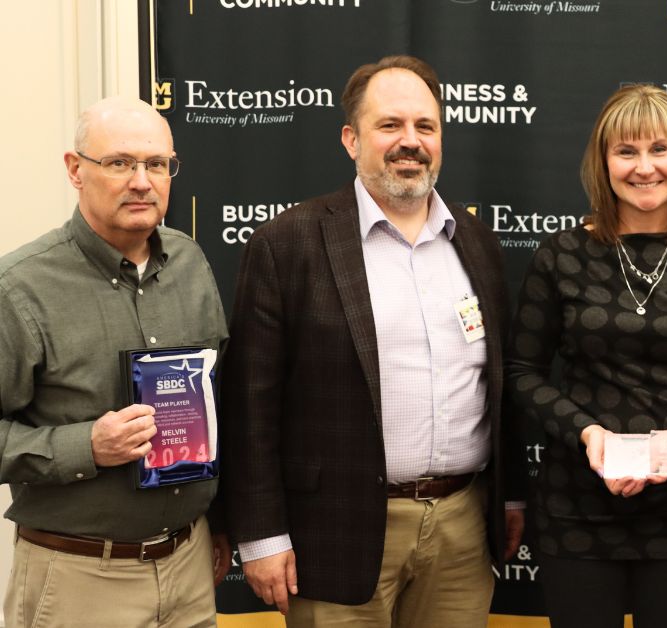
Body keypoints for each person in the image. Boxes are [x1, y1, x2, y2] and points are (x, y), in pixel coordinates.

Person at [221, 55, 524, 627]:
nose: (409, 141)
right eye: (389, 125)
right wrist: (261, 535)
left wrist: (509, 498)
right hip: (334, 531)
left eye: (425, 127)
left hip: (463, 529)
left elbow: (499, 383)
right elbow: (250, 405)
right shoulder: (289, 243)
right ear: (350, 138)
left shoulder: (476, 241)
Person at [505, 84, 667, 628]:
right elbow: (523, 372)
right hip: (577, 506)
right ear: (602, 162)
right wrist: (588, 434)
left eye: (659, 150)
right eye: (626, 151)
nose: (644, 167)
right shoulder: (562, 254)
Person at [0, 96, 230, 627]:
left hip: (190, 566)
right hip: (81, 576)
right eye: (121, 163)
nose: (142, 181)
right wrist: (86, 446)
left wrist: (219, 521)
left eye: (156, 164)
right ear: (75, 170)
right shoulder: (21, 290)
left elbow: (222, 401)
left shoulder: (191, 263)